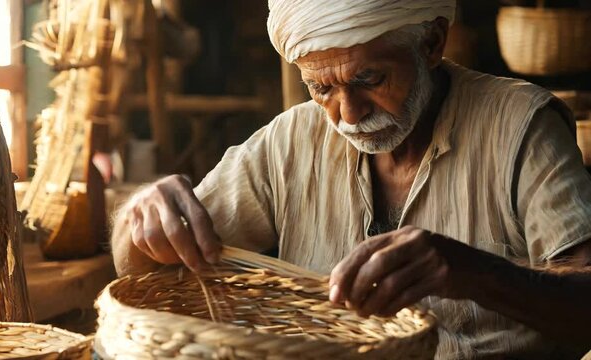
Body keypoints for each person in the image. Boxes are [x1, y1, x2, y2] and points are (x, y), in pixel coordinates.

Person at [111, 1, 591, 358]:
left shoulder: (521, 126)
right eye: (321, 87)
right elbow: (145, 267)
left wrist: (473, 272)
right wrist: (140, 218)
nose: (347, 114)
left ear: (432, 44)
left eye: (369, 80)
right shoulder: (289, 141)